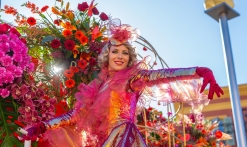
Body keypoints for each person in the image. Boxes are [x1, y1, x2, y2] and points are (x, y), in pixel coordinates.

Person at [24, 20, 223, 147]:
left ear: (129, 58)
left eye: (125, 52)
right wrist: (42, 126)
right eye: (115, 51)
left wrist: (198, 71)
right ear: (106, 56)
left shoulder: (132, 78)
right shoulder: (96, 87)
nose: (120, 55)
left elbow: (163, 74)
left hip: (124, 138)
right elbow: (74, 116)